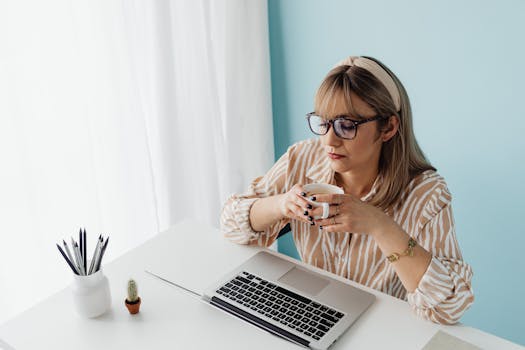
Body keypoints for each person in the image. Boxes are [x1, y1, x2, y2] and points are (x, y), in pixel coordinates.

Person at [220, 56, 474, 324]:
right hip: (311, 316)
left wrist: (381, 226)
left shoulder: (427, 194)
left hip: (381, 329)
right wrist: (281, 204)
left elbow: (450, 306)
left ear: (388, 127)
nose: (329, 140)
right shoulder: (303, 158)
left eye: (346, 125)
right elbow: (230, 224)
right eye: (324, 122)